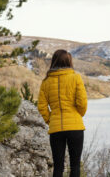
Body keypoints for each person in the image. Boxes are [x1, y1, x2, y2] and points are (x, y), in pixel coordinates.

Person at [37, 49, 87, 177]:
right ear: (69, 62)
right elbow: (82, 103)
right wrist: (78, 115)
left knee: (58, 166)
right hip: (75, 127)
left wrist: (50, 120)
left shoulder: (46, 82)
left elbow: (42, 106)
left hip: (56, 129)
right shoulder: (76, 78)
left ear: (54, 61)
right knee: (75, 165)